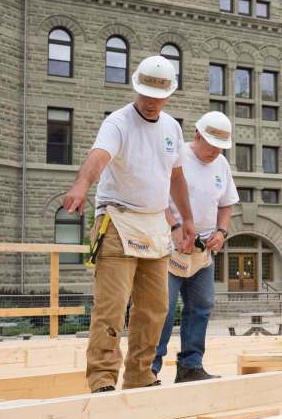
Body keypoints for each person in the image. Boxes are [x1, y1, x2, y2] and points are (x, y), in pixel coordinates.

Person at [62, 55, 195, 392]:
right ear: (137, 87)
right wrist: (81, 184)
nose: (151, 101)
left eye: (158, 96)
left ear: (168, 94)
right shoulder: (118, 122)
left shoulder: (171, 128)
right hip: (118, 221)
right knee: (112, 307)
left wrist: (187, 218)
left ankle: (140, 375)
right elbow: (99, 157)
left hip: (155, 227)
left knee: (155, 309)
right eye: (146, 94)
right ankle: (103, 379)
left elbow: (176, 176)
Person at [151, 111, 239, 383]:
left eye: (221, 147)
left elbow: (226, 204)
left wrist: (222, 232)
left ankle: (191, 366)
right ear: (197, 134)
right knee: (161, 308)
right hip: (170, 246)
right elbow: (156, 195)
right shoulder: (178, 157)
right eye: (211, 144)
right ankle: (148, 368)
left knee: (201, 306)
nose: (215, 151)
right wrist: (175, 227)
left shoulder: (221, 164)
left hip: (202, 251)